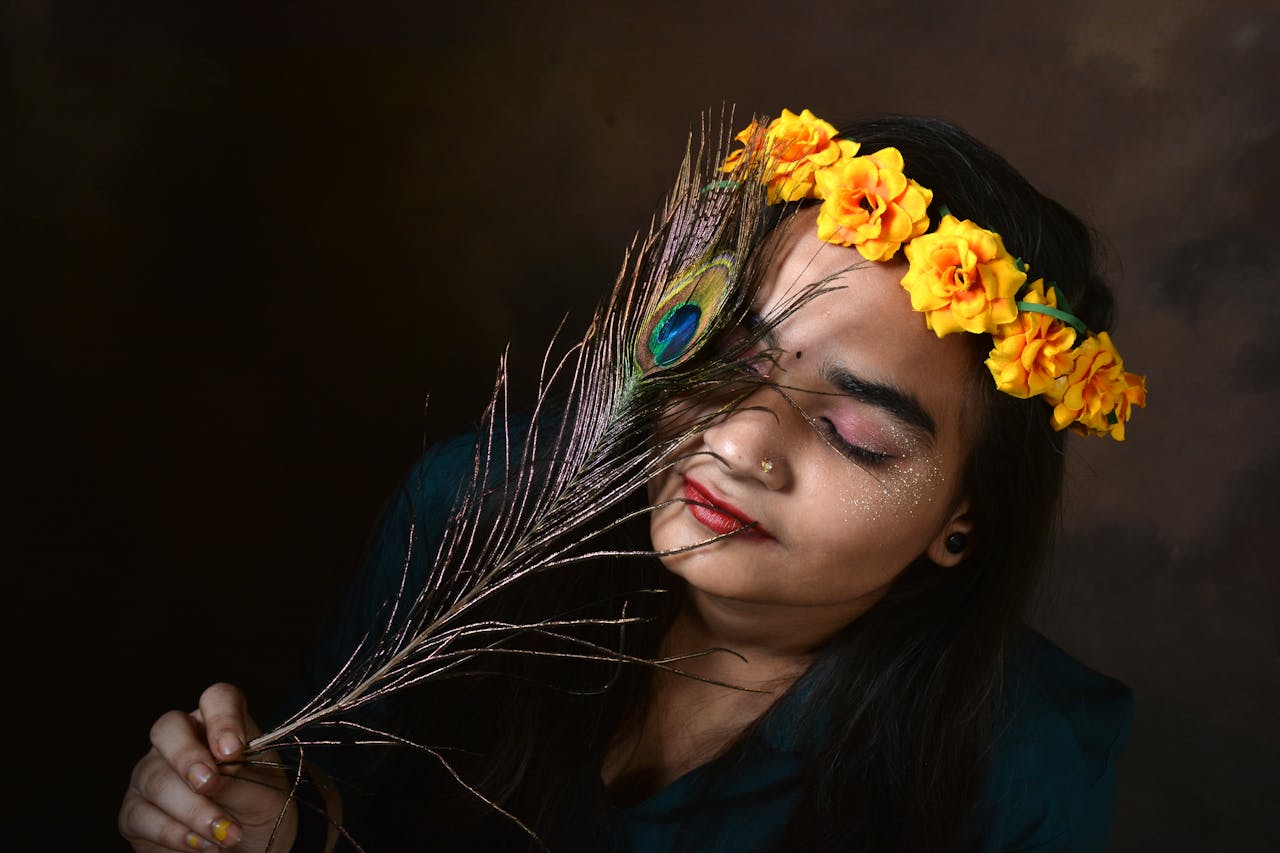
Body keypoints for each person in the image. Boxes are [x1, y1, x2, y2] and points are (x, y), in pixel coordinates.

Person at [119, 110, 1145, 852]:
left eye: (851, 432)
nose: (736, 439)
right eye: (729, 357)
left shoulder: (1023, 764)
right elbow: (331, 789)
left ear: (963, 521)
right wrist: (256, 823)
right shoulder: (474, 508)